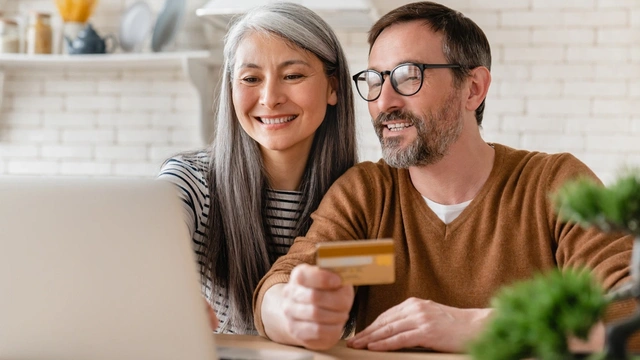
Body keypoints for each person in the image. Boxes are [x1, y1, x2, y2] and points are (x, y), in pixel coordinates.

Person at [253, 0, 634, 352]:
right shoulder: (367, 195)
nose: (384, 102)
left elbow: (627, 311)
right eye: (374, 80)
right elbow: (281, 285)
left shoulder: (553, 185)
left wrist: (476, 326)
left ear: (473, 89)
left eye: (407, 76)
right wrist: (295, 311)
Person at [157, 2, 357, 335]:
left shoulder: (359, 198)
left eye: (293, 75)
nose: (270, 97)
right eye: (251, 78)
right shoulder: (192, 181)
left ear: (333, 86)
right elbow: (153, 240)